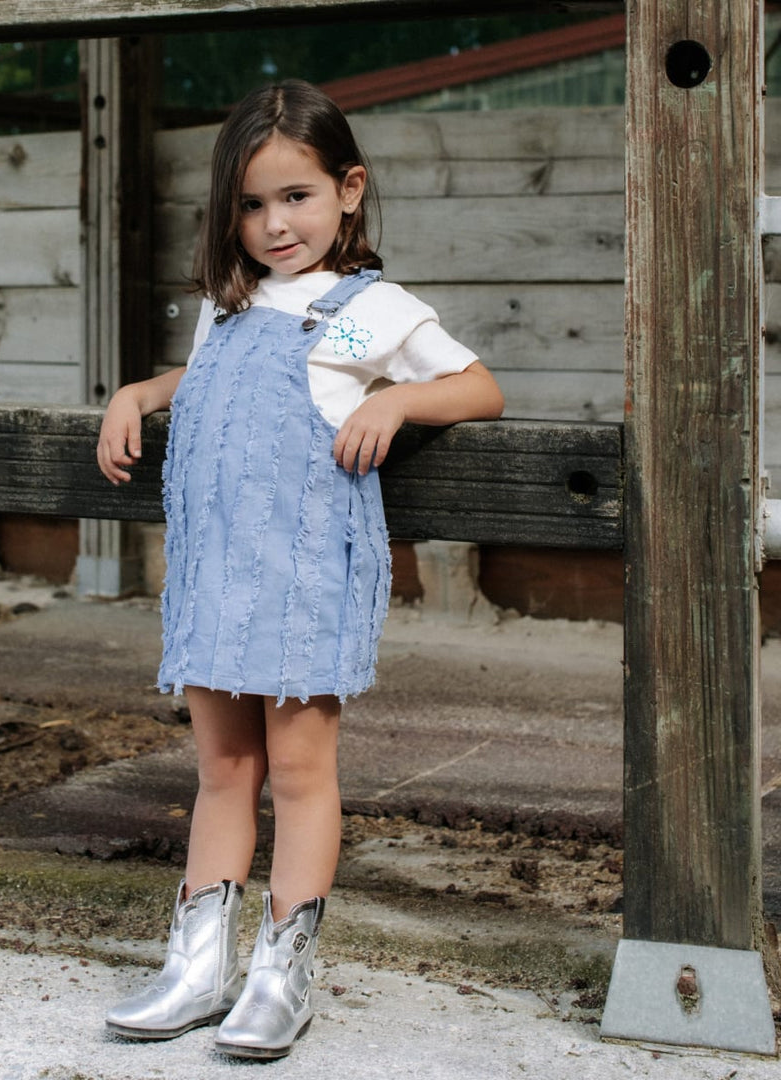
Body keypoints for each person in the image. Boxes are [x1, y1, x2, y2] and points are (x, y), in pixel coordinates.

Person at [96, 79, 503, 1059]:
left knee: (300, 772)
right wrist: (137, 391)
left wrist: (397, 405)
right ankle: (198, 963)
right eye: (250, 204)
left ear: (349, 190)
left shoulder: (365, 312)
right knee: (222, 769)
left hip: (303, 580)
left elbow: (478, 384)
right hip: (216, 576)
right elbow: (212, 384)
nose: (273, 224)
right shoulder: (227, 307)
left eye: (296, 197)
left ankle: (283, 970)